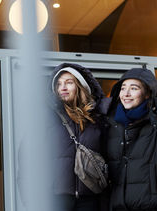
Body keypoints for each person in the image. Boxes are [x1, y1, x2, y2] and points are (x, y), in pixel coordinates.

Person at [48, 63, 107, 211]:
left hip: (90, 199)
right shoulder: (47, 118)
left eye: (69, 83)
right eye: (59, 84)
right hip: (57, 198)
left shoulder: (97, 119)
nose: (63, 87)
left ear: (80, 86)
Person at [104, 68, 157, 210]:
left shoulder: (154, 125)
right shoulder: (109, 124)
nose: (126, 94)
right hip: (116, 206)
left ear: (147, 94)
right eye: (123, 88)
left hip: (148, 205)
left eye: (134, 88)